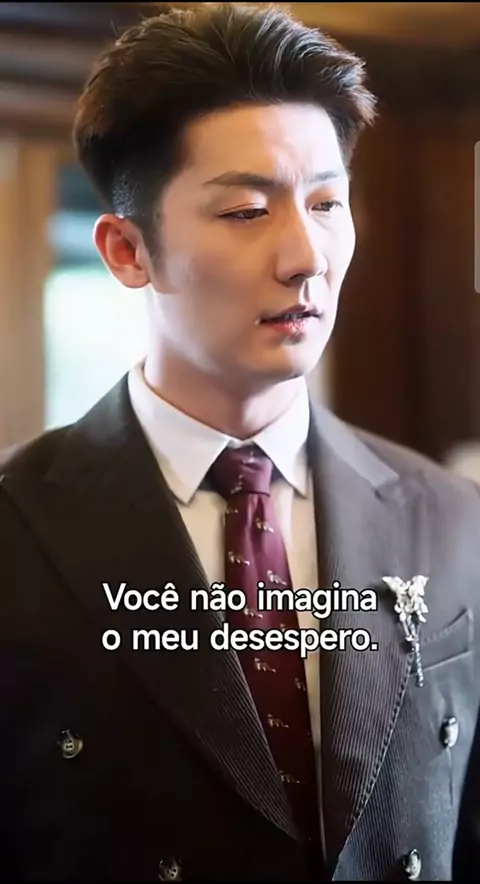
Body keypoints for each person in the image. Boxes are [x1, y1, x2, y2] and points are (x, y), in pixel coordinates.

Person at [1, 3, 479, 881]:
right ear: (127, 250)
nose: (307, 256)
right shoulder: (18, 525)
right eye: (248, 211)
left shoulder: (452, 518)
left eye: (328, 203)